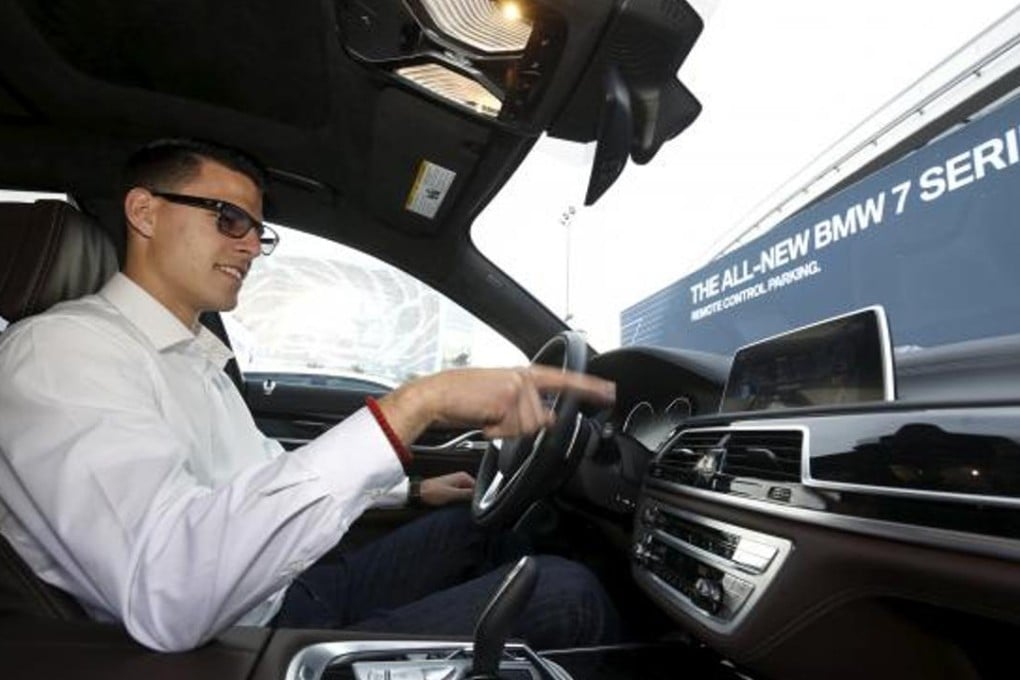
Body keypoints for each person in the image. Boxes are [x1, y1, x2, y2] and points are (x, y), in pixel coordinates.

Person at [0, 139, 619, 652]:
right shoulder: (60, 357)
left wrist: (411, 489)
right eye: (229, 219)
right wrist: (415, 404)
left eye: (257, 232)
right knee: (566, 595)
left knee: (471, 526)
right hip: (240, 644)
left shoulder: (190, 357)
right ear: (145, 212)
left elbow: (266, 470)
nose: (250, 247)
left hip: (284, 589)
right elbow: (169, 592)